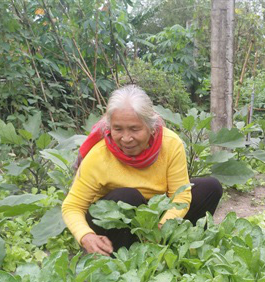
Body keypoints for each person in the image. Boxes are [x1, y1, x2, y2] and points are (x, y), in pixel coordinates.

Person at [62, 85, 223, 256]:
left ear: (151, 126)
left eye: (134, 129)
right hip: (113, 221)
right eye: (118, 129)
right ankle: (122, 258)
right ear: (109, 127)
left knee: (210, 188)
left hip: (154, 214)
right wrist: (86, 236)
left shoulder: (170, 144)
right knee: (127, 197)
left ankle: (183, 247)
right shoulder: (99, 156)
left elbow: (181, 195)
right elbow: (72, 206)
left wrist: (161, 228)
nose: (126, 138)